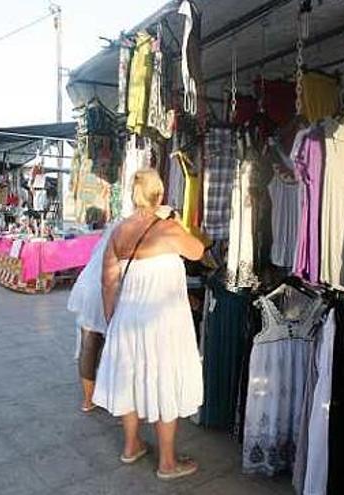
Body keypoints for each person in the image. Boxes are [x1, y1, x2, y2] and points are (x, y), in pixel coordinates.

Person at [94, 168, 205, 481]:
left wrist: (110, 319)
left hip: (127, 317)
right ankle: (167, 462)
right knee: (163, 379)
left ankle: (131, 446)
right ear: (159, 195)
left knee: (130, 379)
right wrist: (174, 219)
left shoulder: (119, 231)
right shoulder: (168, 229)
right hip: (163, 322)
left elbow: (108, 281)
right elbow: (197, 251)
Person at [67, 219, 117, 412]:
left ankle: (88, 399)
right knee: (110, 347)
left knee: (89, 345)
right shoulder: (128, 238)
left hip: (88, 287)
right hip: (105, 289)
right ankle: (111, 397)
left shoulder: (108, 239)